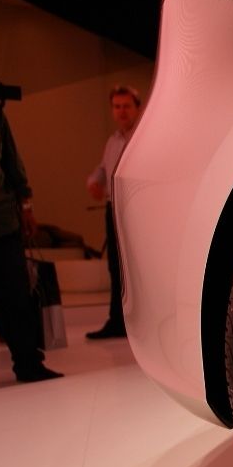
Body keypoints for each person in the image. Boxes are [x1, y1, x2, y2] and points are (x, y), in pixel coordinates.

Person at [0, 79, 63, 382]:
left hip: (3, 219)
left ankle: (28, 361)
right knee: (12, 294)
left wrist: (26, 204)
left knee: (16, 294)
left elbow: (11, 161)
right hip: (1, 218)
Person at [85, 85, 140, 339]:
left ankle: (137, 323)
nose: (121, 111)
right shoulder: (113, 140)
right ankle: (117, 321)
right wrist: (94, 181)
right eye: (117, 107)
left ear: (137, 108)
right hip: (113, 209)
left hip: (135, 211)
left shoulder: (142, 137)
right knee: (115, 267)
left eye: (126, 106)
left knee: (135, 268)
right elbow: (103, 168)